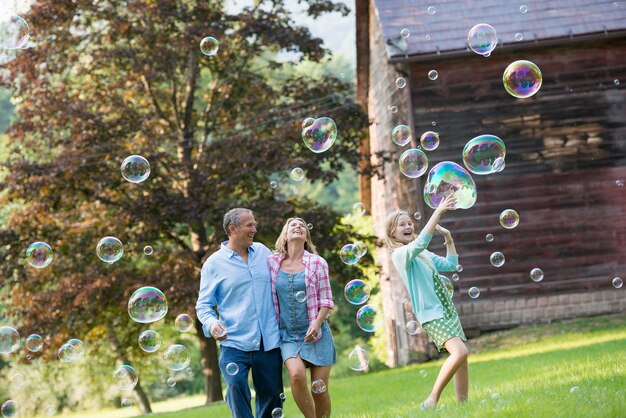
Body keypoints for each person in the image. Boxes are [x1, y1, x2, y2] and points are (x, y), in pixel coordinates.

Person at [196, 208, 283, 418]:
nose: (255, 228)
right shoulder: (214, 264)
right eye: (249, 225)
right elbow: (203, 306)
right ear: (233, 229)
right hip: (234, 341)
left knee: (272, 396)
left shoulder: (263, 252)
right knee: (235, 387)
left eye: (254, 224)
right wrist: (212, 325)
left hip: (268, 340)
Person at [384, 194, 469, 409]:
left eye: (409, 223)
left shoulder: (423, 254)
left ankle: (464, 407)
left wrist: (448, 239)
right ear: (391, 232)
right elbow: (420, 242)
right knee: (460, 352)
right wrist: (438, 212)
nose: (407, 226)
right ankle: (432, 399)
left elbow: (451, 265)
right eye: (401, 224)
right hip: (431, 313)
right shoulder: (400, 255)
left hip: (445, 309)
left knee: (461, 359)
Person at [268, 217, 336, 418]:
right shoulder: (272, 263)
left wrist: (317, 322)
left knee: (319, 390)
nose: (298, 227)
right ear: (285, 234)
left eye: (302, 226)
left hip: (318, 334)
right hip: (288, 335)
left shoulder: (317, 262)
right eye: (293, 225)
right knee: (296, 375)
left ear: (306, 235)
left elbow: (326, 300)